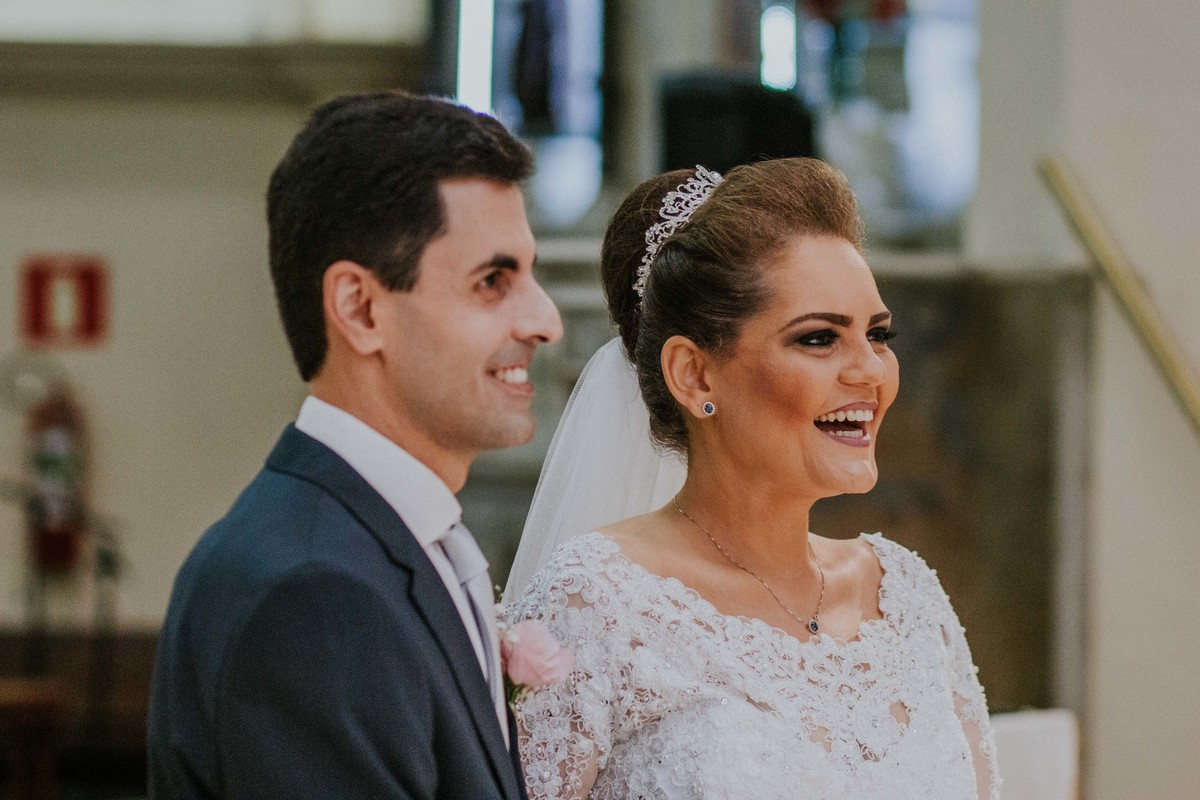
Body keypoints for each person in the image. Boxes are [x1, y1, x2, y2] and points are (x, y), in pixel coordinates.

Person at [503, 158, 999, 799]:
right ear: (695, 375)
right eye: (820, 339)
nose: (871, 371)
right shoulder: (598, 603)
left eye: (878, 334)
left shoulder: (907, 595)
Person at [148, 91, 562, 798]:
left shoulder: (368, 544)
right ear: (360, 309)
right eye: (493, 281)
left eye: (530, 274)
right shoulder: (314, 594)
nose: (546, 319)